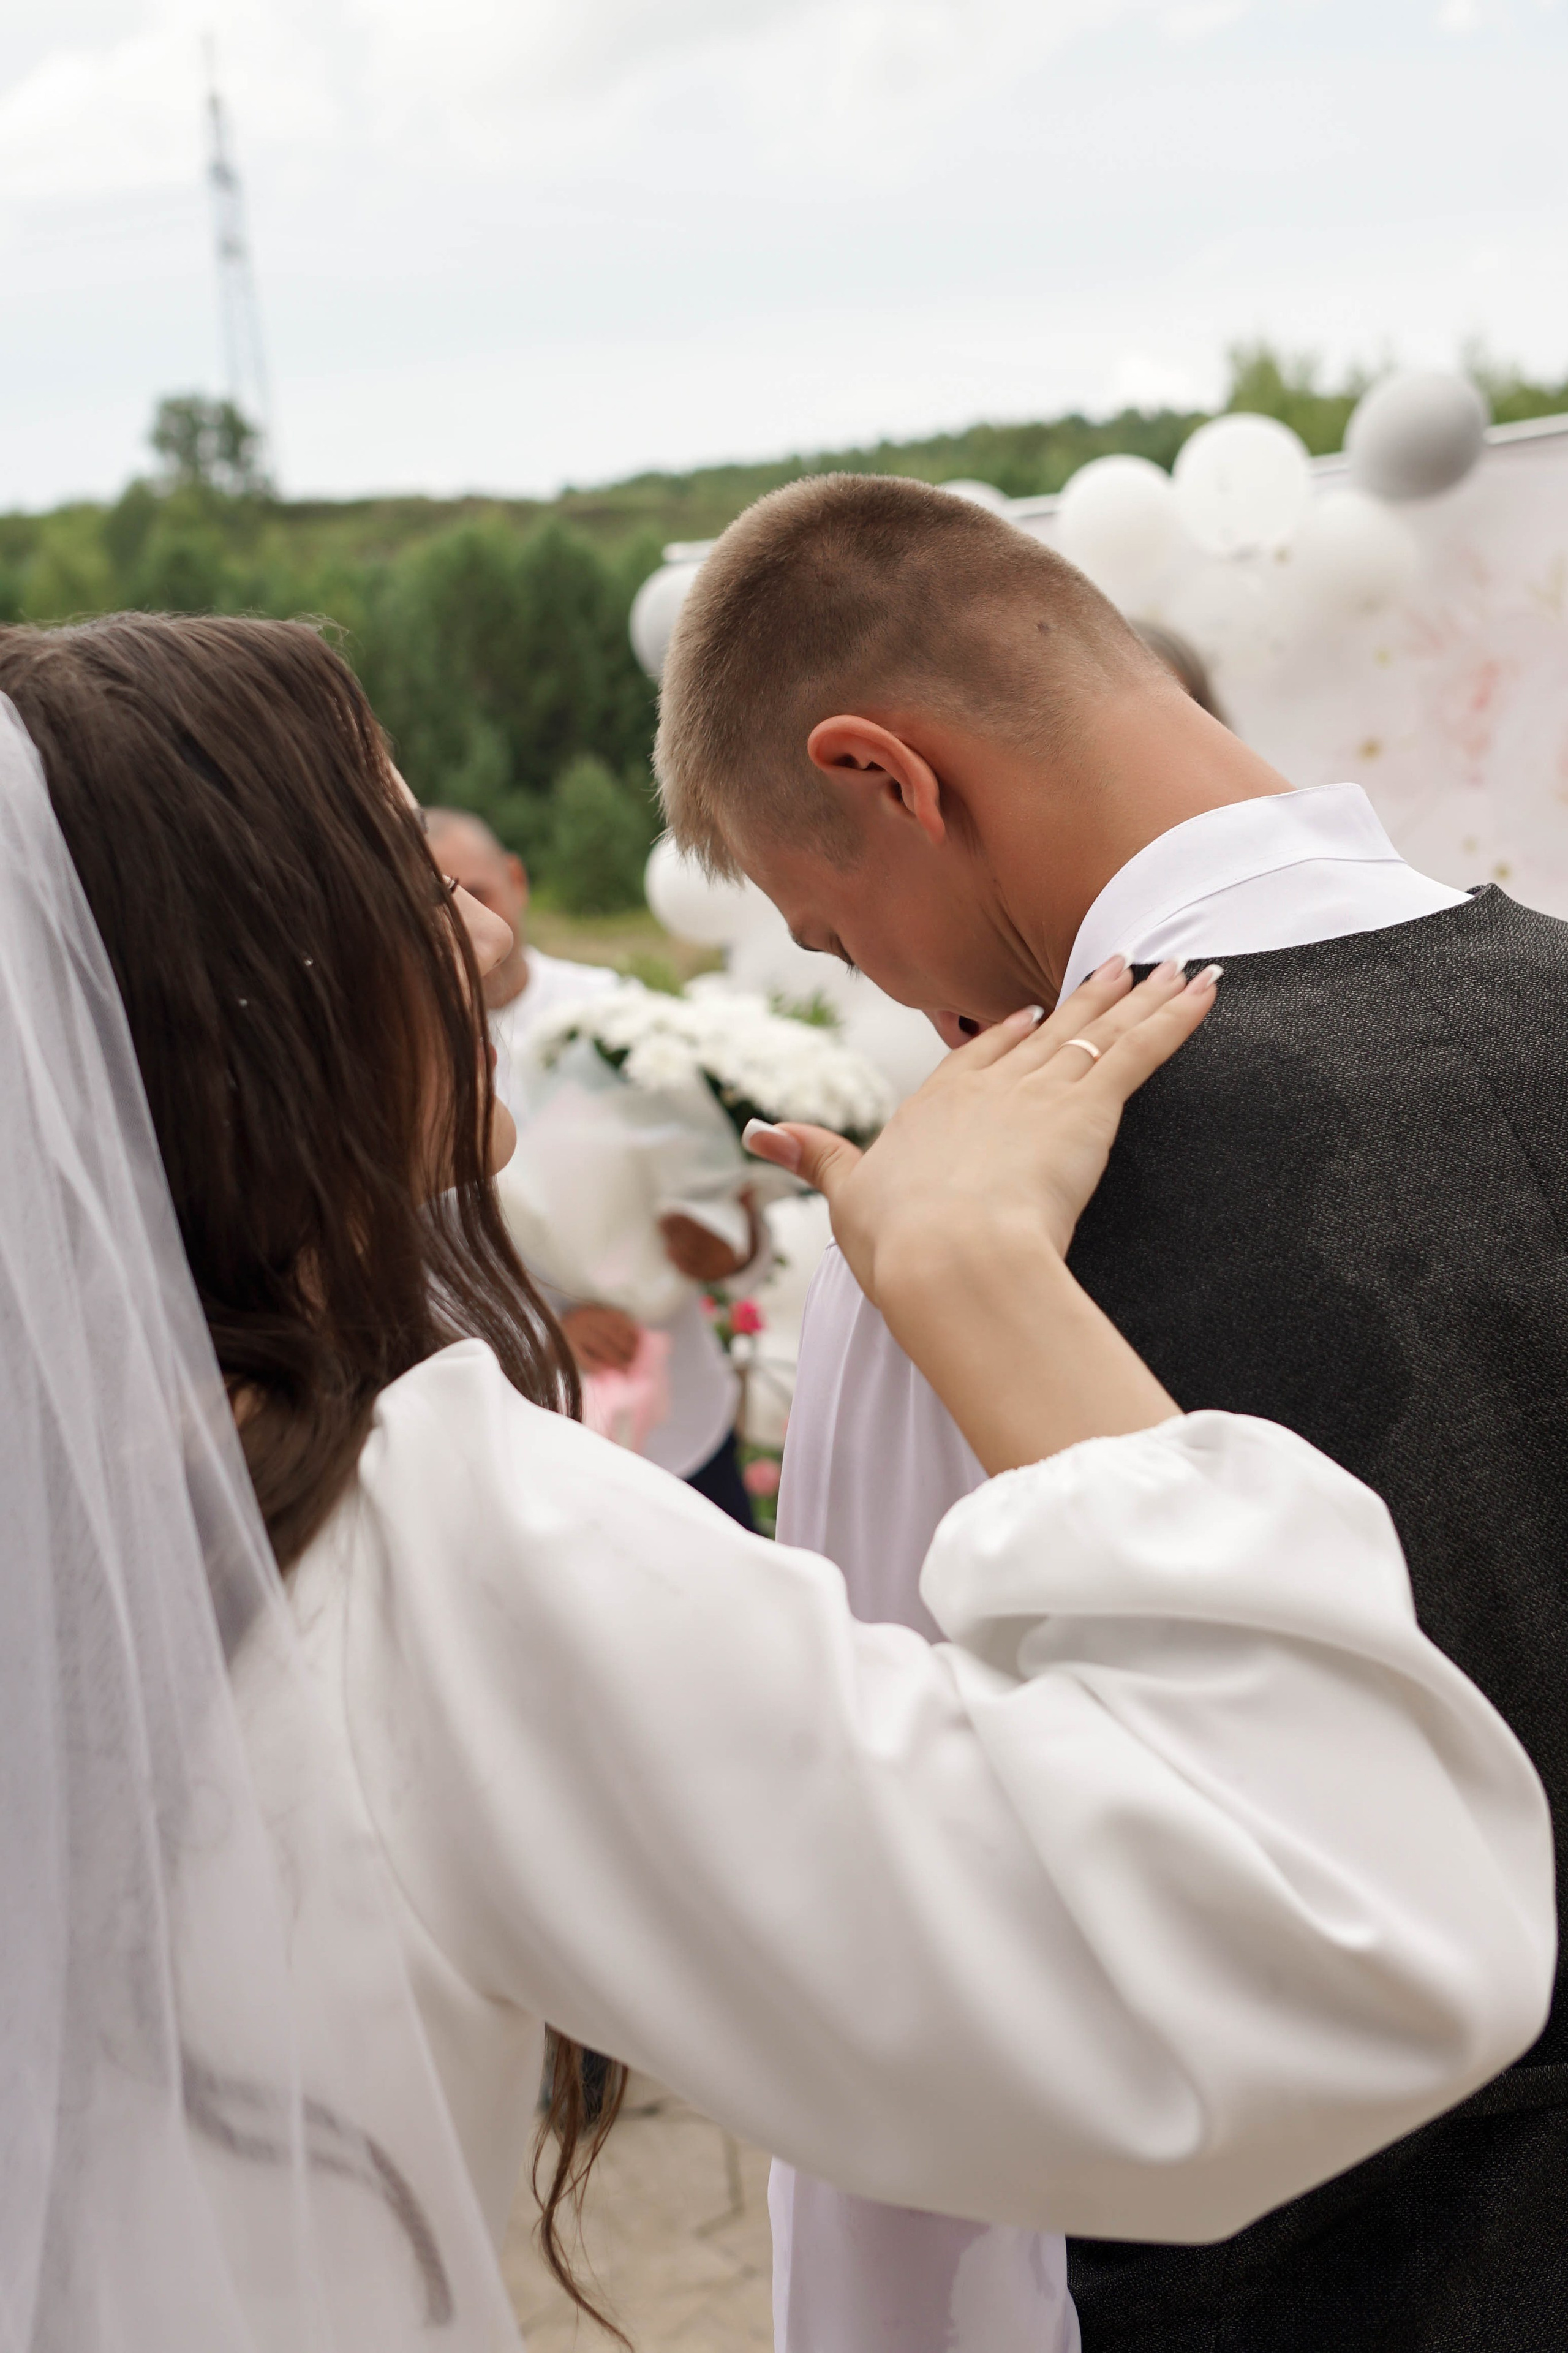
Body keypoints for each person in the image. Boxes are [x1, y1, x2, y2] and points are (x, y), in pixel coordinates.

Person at [2, 614, 1554, 2353]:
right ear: (228, 989)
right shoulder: (408, 1540)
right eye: (406, 878)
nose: (488, 931)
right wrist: (986, 1281)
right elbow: (1341, 1948)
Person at [654, 469, 1568, 2353]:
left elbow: (920, 1978)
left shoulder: (970, 1231)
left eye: (837, 933)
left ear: (886, 776)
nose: (890, 998)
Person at [426, 806, 763, 1524]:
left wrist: (726, 1240)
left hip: (681, 1407)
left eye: (476, 892)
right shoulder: (413, 1059)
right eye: (431, 906)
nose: (464, 925)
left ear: (516, 881)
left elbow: (715, 1183)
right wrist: (541, 1332)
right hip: (530, 1430)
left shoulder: (617, 1016)